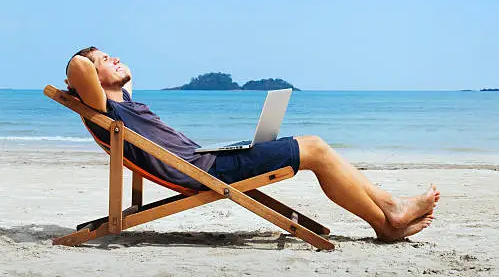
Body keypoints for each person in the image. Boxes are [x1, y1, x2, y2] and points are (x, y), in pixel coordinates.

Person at [65, 46, 440, 242]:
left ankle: (388, 216)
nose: (114, 59)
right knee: (315, 148)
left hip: (208, 160)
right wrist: (87, 61)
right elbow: (79, 69)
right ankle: (389, 213)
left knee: (311, 145)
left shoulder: (123, 100)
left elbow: (124, 74)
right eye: (103, 59)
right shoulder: (103, 107)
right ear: (89, 79)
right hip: (205, 170)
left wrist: (106, 63)